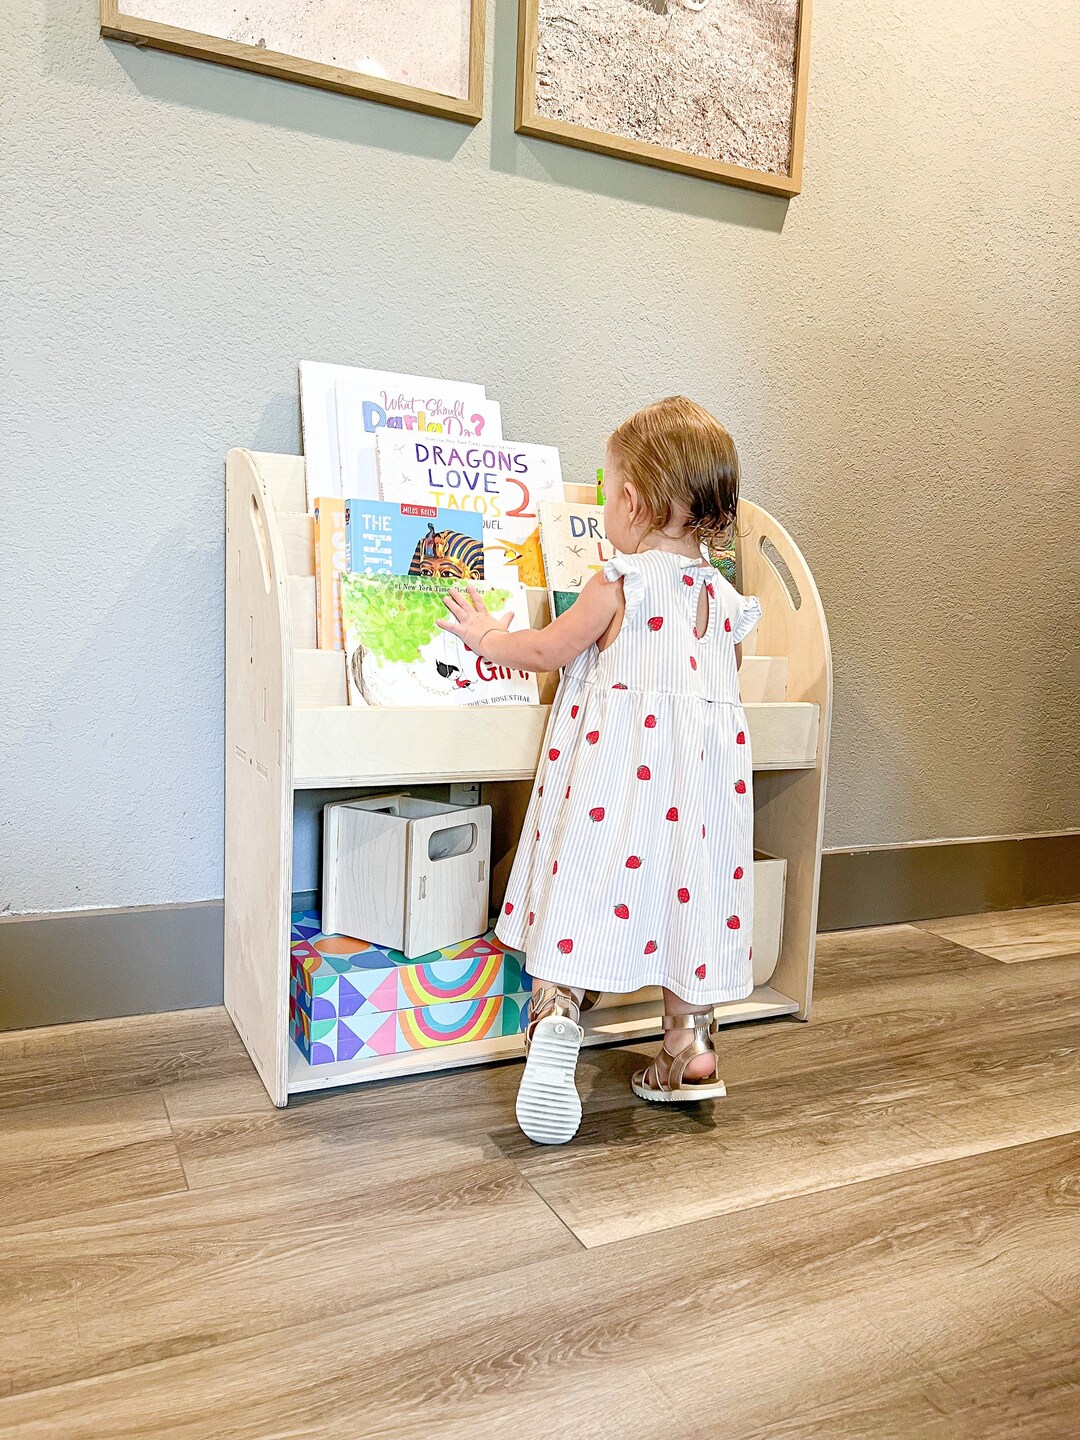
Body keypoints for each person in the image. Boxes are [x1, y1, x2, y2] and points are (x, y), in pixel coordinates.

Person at [437, 397, 761, 1144]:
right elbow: (722, 682)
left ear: (631, 501)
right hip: (703, 795)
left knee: (585, 878)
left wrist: (487, 634)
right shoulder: (722, 597)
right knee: (693, 894)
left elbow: (549, 650)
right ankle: (691, 1043)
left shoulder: (619, 582)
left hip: (618, 779)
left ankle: (555, 1015)